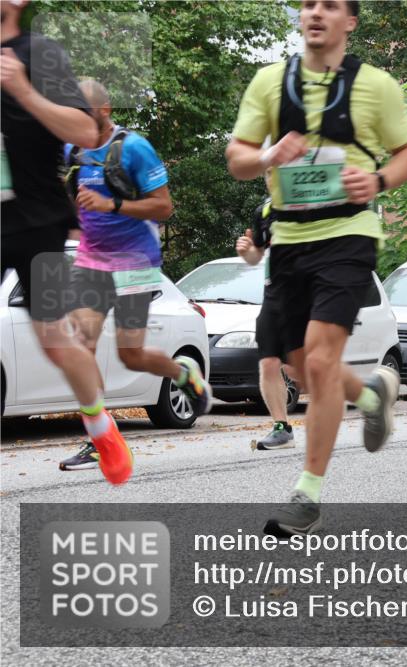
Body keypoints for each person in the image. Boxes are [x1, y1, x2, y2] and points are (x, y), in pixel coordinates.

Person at [226, 0, 407, 536]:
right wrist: (268, 157)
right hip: (288, 241)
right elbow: (238, 156)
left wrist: (379, 181)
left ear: (350, 21)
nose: (315, 13)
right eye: (308, 4)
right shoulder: (269, 82)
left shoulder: (376, 85)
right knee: (302, 367)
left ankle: (307, 494)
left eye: (330, 5)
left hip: (349, 235)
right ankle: (371, 394)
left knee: (319, 354)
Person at [1, 0, 133, 485]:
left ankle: (101, 429)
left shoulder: (39, 54)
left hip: (36, 223)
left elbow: (84, 131)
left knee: (55, 340)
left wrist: (21, 89)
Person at [57, 79, 212, 471]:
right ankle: (99, 439)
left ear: (104, 112)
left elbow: (164, 207)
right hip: (92, 260)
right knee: (81, 345)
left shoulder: (134, 148)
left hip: (134, 262)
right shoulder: (73, 149)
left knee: (132, 355)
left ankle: (183, 372)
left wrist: (112, 205)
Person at [235, 199, 300, 449]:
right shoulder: (264, 210)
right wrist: (247, 251)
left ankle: (366, 391)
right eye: (268, 172)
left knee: (301, 370)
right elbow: (256, 255)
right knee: (269, 361)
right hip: (274, 294)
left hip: (309, 293)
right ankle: (281, 428)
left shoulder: (311, 201)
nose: (272, 177)